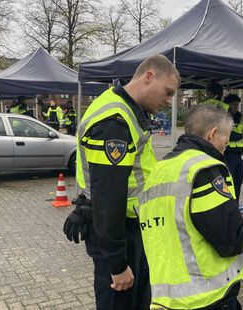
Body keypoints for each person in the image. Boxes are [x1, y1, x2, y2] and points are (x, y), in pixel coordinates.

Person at [62, 54, 180, 309]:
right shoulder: (114, 121)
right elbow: (108, 197)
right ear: (149, 76)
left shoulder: (125, 110)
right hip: (119, 234)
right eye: (168, 92)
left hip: (128, 228)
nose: (169, 101)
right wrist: (117, 264)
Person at [139, 105, 243, 309]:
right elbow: (233, 240)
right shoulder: (204, 169)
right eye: (225, 141)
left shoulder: (159, 169)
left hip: (167, 298)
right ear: (213, 133)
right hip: (207, 297)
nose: (225, 147)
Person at [223, 94, 243, 202]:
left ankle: (236, 206)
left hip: (240, 155)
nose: (236, 106)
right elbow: (228, 135)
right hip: (228, 154)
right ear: (228, 105)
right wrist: (241, 135)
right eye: (234, 104)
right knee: (227, 183)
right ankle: (228, 206)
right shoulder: (224, 117)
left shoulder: (240, 116)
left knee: (238, 183)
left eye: (237, 104)